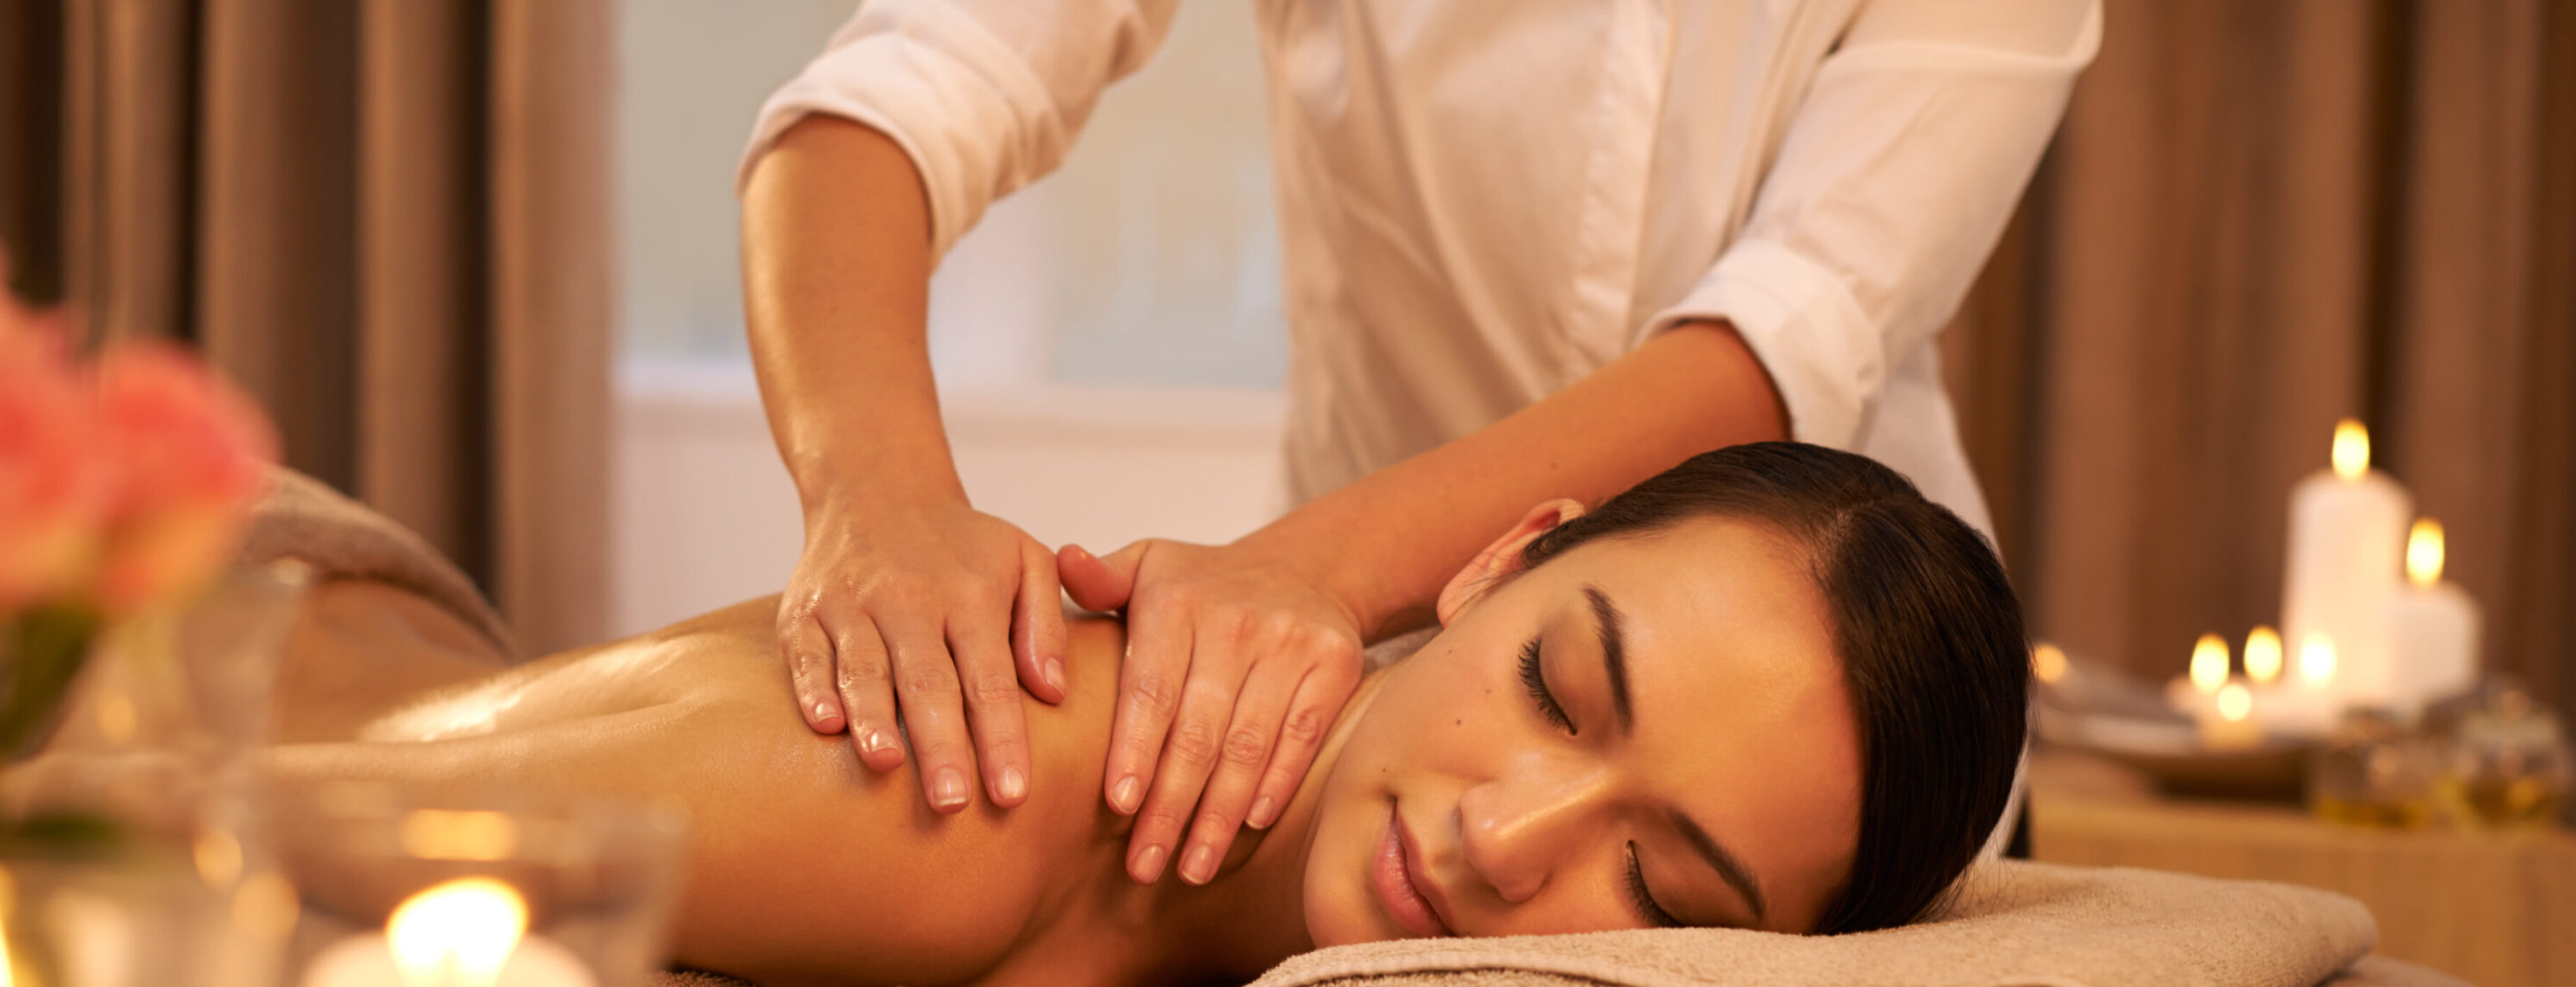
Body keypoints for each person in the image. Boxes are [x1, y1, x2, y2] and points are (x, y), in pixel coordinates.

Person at [737, 0, 2097, 893]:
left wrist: (1303, 577)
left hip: (1823, 778)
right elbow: (893, 100)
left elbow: (1775, 348)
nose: (1508, 844)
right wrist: (879, 500)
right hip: (1360, 690)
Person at [230, 443, 2024, 987]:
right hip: (191, 600)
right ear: (1492, 566)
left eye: (1658, 891)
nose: (1504, 840)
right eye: (1557, 694)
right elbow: (179, 810)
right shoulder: (983, 782)